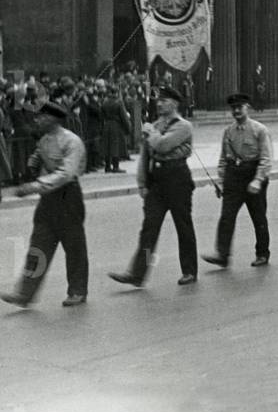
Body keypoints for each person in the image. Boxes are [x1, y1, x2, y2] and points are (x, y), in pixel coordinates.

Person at [1, 102, 89, 309]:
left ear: (54, 119)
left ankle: (77, 291)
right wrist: (32, 163)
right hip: (47, 200)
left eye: (41, 117)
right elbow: (38, 156)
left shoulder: (71, 141)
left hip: (68, 197)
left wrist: (34, 186)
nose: (37, 120)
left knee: (74, 246)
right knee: (39, 245)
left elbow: (66, 174)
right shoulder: (44, 139)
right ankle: (25, 293)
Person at [109, 86, 198, 287]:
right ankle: (137, 273)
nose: (158, 103)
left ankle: (189, 270)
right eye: (158, 100)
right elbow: (145, 156)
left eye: (164, 101)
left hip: (177, 180)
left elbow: (163, 145)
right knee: (149, 228)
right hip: (156, 181)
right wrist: (142, 183)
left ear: (174, 104)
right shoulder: (156, 125)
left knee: (183, 226)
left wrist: (151, 133)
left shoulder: (183, 126)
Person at [201, 93, 272, 268]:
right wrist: (222, 179)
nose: (236, 111)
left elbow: (266, 158)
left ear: (247, 107)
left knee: (259, 217)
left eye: (240, 107)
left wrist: (258, 180)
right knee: (226, 216)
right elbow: (223, 158)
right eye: (233, 108)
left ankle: (262, 253)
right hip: (234, 176)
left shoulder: (260, 130)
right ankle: (222, 254)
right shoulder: (228, 131)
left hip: (253, 174)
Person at [100, 84, 131, 172]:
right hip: (116, 125)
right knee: (115, 145)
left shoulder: (104, 101)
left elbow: (101, 115)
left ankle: (107, 166)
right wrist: (128, 127)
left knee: (107, 145)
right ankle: (115, 166)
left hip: (107, 124)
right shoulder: (119, 102)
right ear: (117, 92)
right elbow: (123, 116)